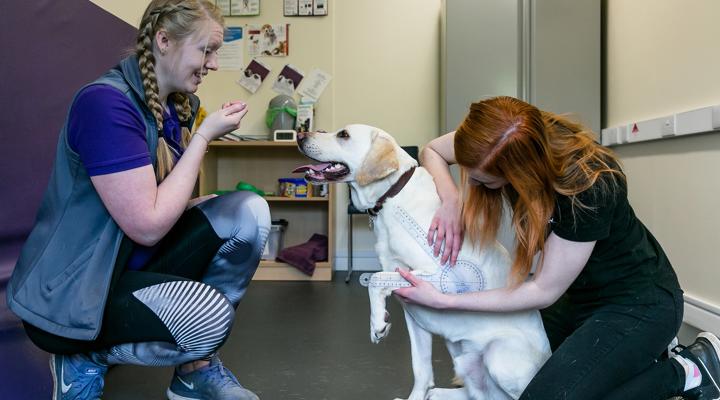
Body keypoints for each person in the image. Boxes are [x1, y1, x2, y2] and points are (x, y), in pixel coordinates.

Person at [6, 1, 270, 399]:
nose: (214, 64)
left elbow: (158, 201)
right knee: (210, 317)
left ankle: (192, 373)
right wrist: (203, 138)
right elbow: (147, 225)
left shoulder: (176, 107)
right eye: (207, 50)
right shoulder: (106, 104)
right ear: (164, 40)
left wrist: (192, 204)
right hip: (72, 297)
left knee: (247, 212)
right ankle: (81, 359)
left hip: (128, 268)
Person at [395, 96, 720, 399]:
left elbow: (542, 290)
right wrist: (450, 199)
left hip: (637, 303)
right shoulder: (497, 139)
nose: (474, 184)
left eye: (482, 181)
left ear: (521, 171)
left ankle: (687, 371)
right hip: (574, 297)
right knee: (505, 377)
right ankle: (635, 360)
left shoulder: (589, 184)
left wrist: (444, 301)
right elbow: (433, 151)